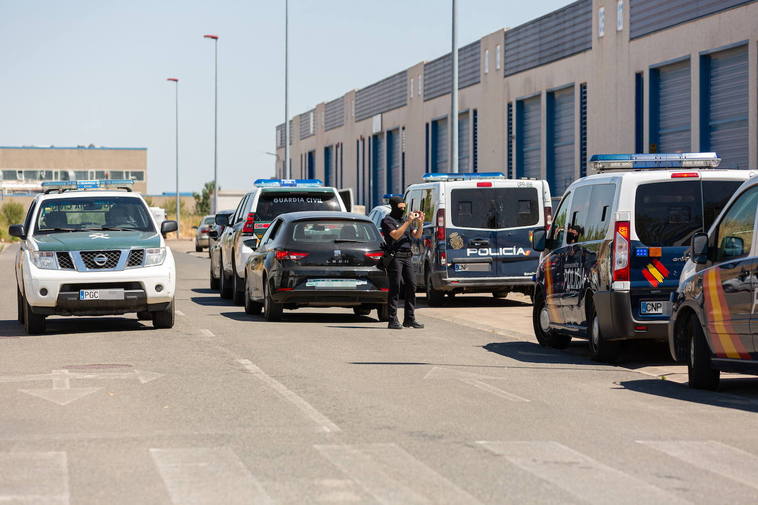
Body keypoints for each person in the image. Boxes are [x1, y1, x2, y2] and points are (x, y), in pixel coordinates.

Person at [381, 197, 424, 330]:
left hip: (407, 256)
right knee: (396, 287)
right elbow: (395, 235)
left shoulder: (404, 220)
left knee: (411, 285)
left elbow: (416, 235)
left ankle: (409, 319)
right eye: (400, 208)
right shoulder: (388, 220)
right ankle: (392, 319)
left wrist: (420, 223)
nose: (403, 210)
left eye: (404, 207)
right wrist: (407, 221)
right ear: (393, 207)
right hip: (395, 256)